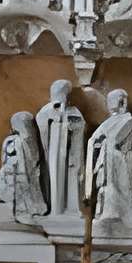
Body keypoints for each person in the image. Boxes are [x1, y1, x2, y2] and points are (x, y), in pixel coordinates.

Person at [83, 86, 132, 228]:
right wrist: (99, 142)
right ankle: (107, 212)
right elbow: (93, 139)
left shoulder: (128, 119)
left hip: (120, 161)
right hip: (107, 159)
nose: (110, 103)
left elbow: (115, 139)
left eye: (114, 100)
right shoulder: (108, 122)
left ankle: (122, 214)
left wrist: (102, 140)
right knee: (106, 187)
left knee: (120, 187)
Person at [35, 78, 86, 214]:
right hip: (54, 150)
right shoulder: (46, 110)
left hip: (69, 151)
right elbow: (42, 123)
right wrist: (54, 116)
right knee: (54, 177)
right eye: (60, 92)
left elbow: (80, 126)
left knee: (70, 179)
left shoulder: (74, 111)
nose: (63, 96)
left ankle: (71, 208)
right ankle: (56, 208)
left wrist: (71, 125)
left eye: (65, 93)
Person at [0, 110, 49, 224]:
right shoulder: (13, 141)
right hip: (15, 177)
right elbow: (9, 164)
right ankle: (20, 210)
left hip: (25, 177)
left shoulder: (29, 142)